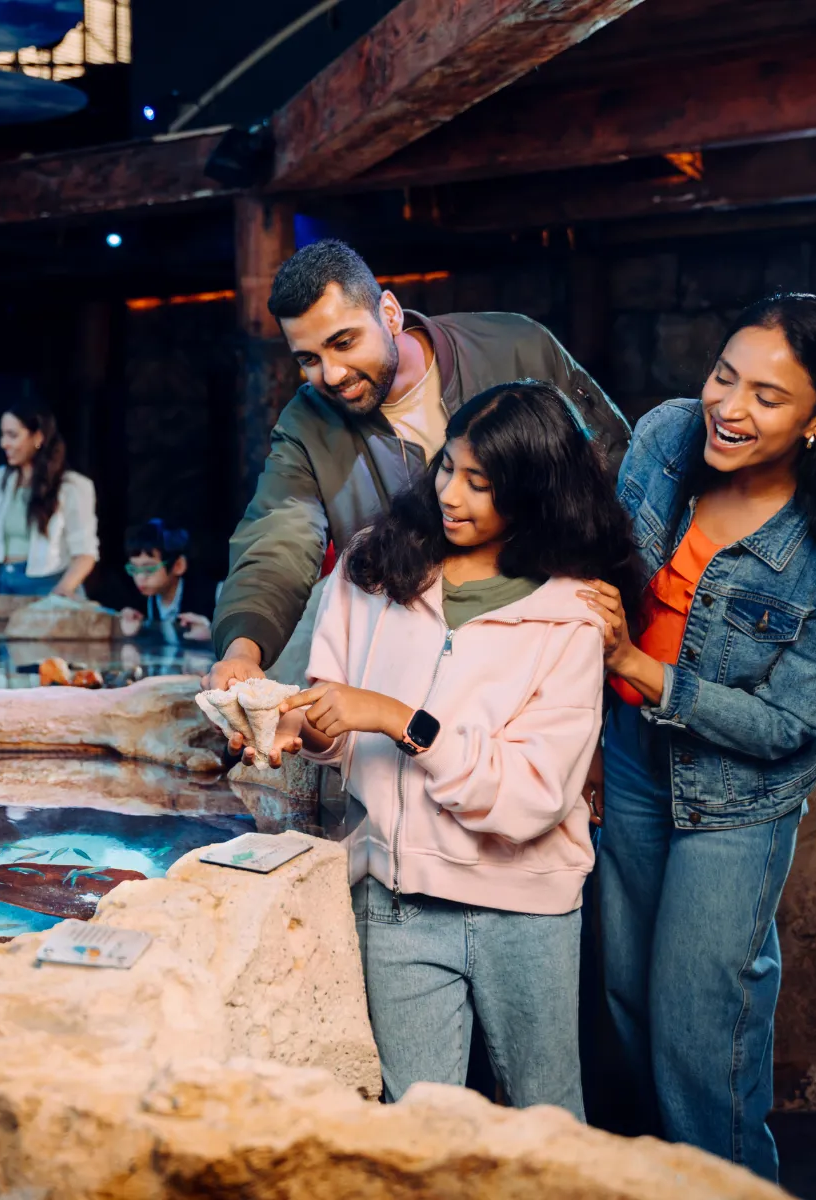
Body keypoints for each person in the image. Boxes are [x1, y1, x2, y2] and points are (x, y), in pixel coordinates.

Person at [265, 380, 640, 1119]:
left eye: (483, 483)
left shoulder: (571, 613)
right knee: (420, 1133)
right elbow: (336, 719)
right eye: (449, 468)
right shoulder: (372, 566)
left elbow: (532, 796)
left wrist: (402, 719)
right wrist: (310, 731)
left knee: (546, 1124)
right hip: (396, 902)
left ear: (535, 493)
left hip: (524, 912)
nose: (452, 496)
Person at [580, 294, 816, 1180]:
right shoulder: (666, 437)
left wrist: (639, 668)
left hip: (736, 799)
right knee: (625, 1002)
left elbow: (787, 726)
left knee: (699, 1032)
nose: (729, 407)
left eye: (769, 397)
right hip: (631, 761)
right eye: (723, 375)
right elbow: (603, 561)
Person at [205, 238, 630, 705]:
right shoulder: (307, 423)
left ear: (389, 313)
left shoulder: (514, 346)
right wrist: (244, 649)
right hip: (406, 685)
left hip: (544, 659)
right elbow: (277, 540)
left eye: (343, 343)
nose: (331, 374)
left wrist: (616, 591)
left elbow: (617, 470)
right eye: (308, 359)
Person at [0, 405, 98, 598]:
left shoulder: (72, 486)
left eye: (12, 435)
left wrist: (63, 589)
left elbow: (85, 554)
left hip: (50, 587)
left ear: (38, 438)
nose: (3, 443)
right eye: (2, 435)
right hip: (6, 586)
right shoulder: (0, 479)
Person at [117, 519, 211, 641]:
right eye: (134, 569)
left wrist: (211, 634)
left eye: (149, 569)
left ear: (178, 566)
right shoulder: (142, 602)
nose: (140, 578)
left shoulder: (213, 595)